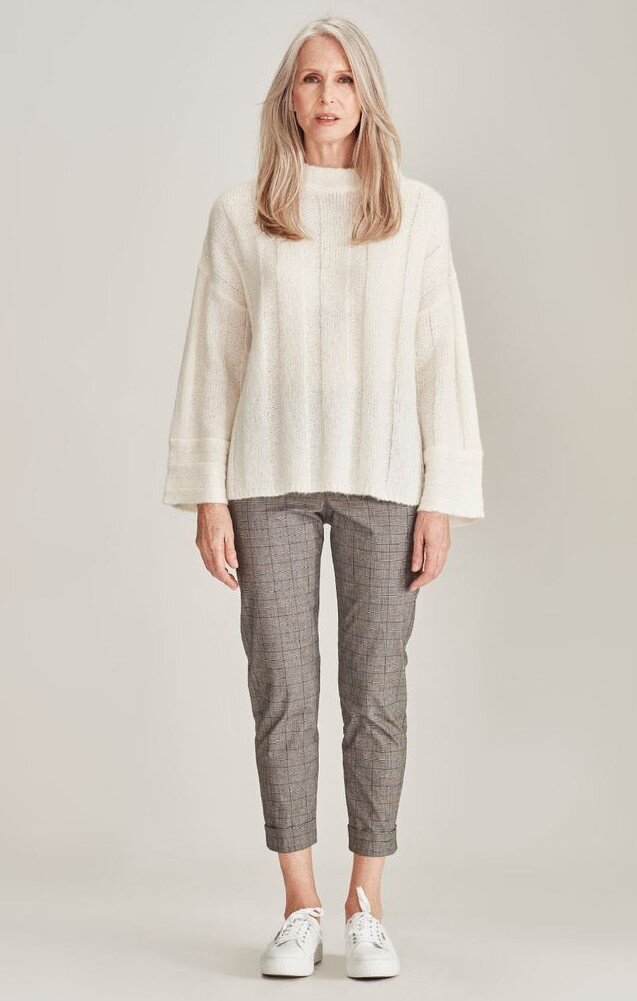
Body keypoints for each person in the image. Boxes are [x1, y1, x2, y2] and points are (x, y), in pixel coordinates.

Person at [162, 15, 484, 980]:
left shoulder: (416, 212)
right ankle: (299, 903)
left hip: (385, 480)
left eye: (343, 79)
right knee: (282, 690)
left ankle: (365, 902)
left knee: (376, 693)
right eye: (310, 80)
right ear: (288, 98)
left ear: (366, 95)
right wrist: (207, 495)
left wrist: (441, 496)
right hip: (267, 481)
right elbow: (214, 358)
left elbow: (439, 357)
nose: (328, 96)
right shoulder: (242, 213)